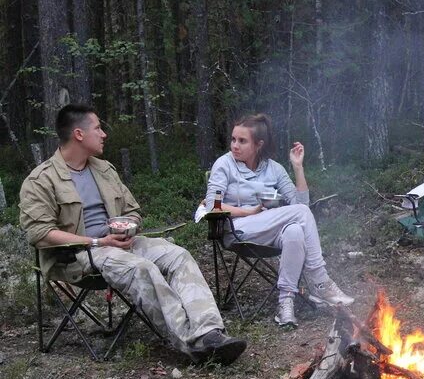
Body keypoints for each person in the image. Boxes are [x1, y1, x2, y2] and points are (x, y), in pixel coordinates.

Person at [19, 104, 247, 365]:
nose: (104, 134)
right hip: (79, 254)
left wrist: (128, 226)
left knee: (178, 255)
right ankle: (194, 344)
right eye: (98, 128)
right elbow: (39, 234)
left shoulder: (104, 170)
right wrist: (97, 241)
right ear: (79, 134)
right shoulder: (40, 180)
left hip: (120, 243)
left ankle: (210, 332)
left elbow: (132, 211)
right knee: (142, 268)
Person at [205, 113, 353, 327]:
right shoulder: (224, 165)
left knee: (295, 231)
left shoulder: (274, 169)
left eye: (242, 141)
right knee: (299, 215)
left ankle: (286, 303)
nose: (235, 145)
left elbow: (300, 203)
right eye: (234, 139)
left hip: (268, 229)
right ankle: (319, 282)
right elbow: (212, 204)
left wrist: (298, 167)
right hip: (236, 229)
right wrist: (250, 212)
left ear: (258, 144)